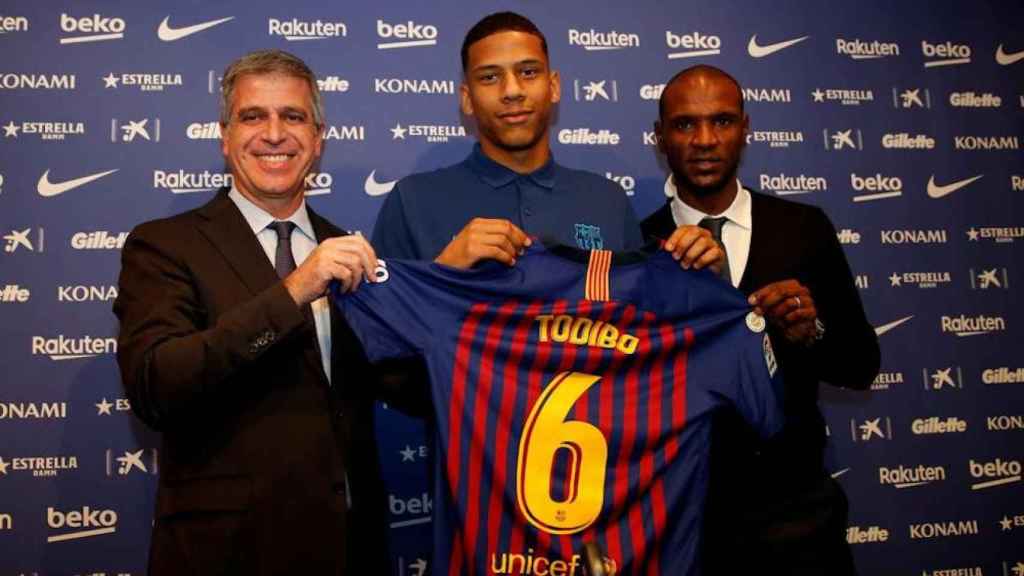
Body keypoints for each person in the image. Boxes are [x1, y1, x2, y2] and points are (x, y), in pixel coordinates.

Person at [113, 49, 385, 575]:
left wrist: (454, 285)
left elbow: (394, 383)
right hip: (223, 553)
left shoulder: (346, 249)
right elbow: (156, 384)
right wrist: (295, 290)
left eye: (294, 116)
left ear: (319, 138)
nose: (275, 133)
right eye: (253, 116)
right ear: (224, 135)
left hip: (347, 549)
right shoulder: (164, 245)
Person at [640, 65, 880, 575]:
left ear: (746, 128)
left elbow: (860, 366)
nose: (705, 140)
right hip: (689, 520)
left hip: (799, 517)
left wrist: (809, 332)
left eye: (722, 121)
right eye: (684, 125)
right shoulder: (639, 247)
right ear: (659, 137)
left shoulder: (803, 227)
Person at [372, 11, 722, 269]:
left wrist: (699, 271)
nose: (512, 91)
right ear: (466, 98)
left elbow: (643, 323)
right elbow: (380, 334)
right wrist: (445, 269)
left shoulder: (607, 201)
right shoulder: (412, 201)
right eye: (490, 77)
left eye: (528, 72)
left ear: (553, 86)